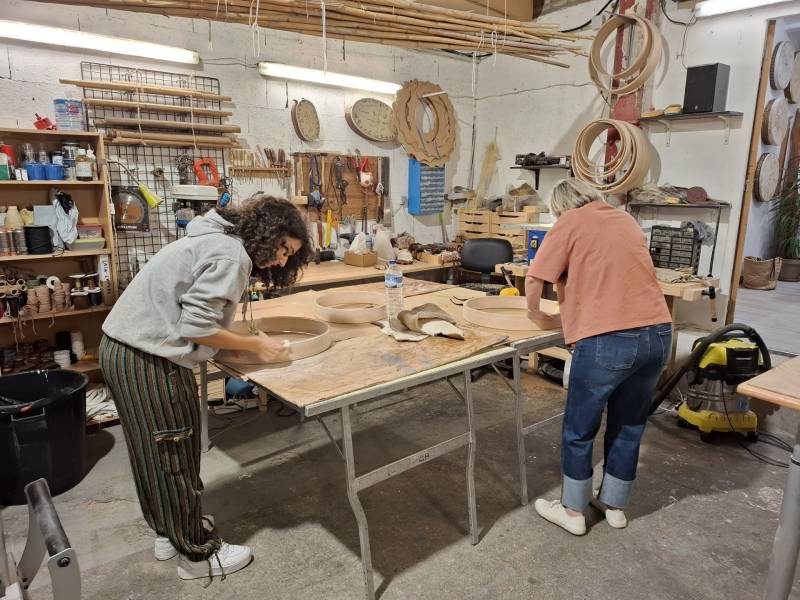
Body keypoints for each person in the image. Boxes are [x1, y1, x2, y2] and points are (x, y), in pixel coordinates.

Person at [100, 194, 312, 579]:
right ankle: (197, 556)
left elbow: (196, 312)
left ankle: (171, 530)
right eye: (283, 249)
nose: (282, 261)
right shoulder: (232, 255)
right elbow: (196, 327)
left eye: (289, 256)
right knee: (173, 449)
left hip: (126, 348)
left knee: (153, 452)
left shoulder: (214, 238)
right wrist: (256, 344)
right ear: (266, 233)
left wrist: (232, 335)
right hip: (146, 355)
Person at [525, 178, 672, 536]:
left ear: (561, 206)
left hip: (607, 339)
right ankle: (614, 504)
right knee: (630, 423)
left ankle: (573, 511)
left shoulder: (570, 221)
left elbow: (535, 276)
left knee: (580, 427)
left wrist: (537, 315)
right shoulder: (624, 219)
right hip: (658, 334)